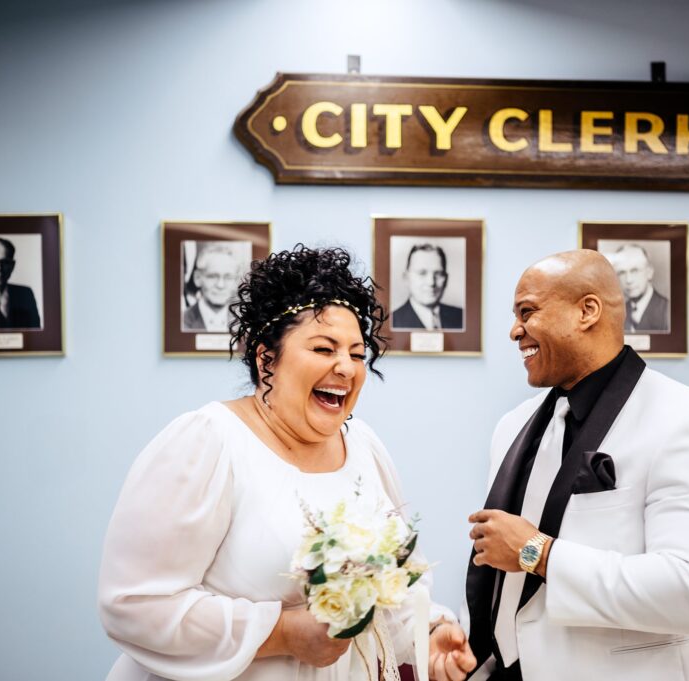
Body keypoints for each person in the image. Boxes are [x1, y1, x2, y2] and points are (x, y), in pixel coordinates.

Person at [99, 245, 476, 681]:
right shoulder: (208, 442)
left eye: (357, 354)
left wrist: (426, 636)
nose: (346, 368)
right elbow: (134, 605)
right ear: (266, 360)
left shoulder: (365, 447)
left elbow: (398, 580)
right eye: (323, 348)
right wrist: (280, 632)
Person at [464, 250, 689, 681]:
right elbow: (509, 587)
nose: (514, 331)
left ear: (587, 311)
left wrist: (536, 553)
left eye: (527, 312)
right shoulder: (512, 426)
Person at [391, 243, 464, 331]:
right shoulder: (391, 321)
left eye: (438, 274)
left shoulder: (462, 317)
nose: (431, 282)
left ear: (446, 279)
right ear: (406, 278)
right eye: (422, 273)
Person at [607, 243, 669, 333]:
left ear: (649, 272)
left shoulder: (667, 311)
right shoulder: (617, 314)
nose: (628, 280)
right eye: (622, 273)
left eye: (634, 271)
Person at [183, 243, 242, 332]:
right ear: (197, 278)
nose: (220, 285)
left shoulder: (244, 322)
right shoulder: (182, 322)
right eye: (212, 276)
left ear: (236, 281)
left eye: (228, 277)